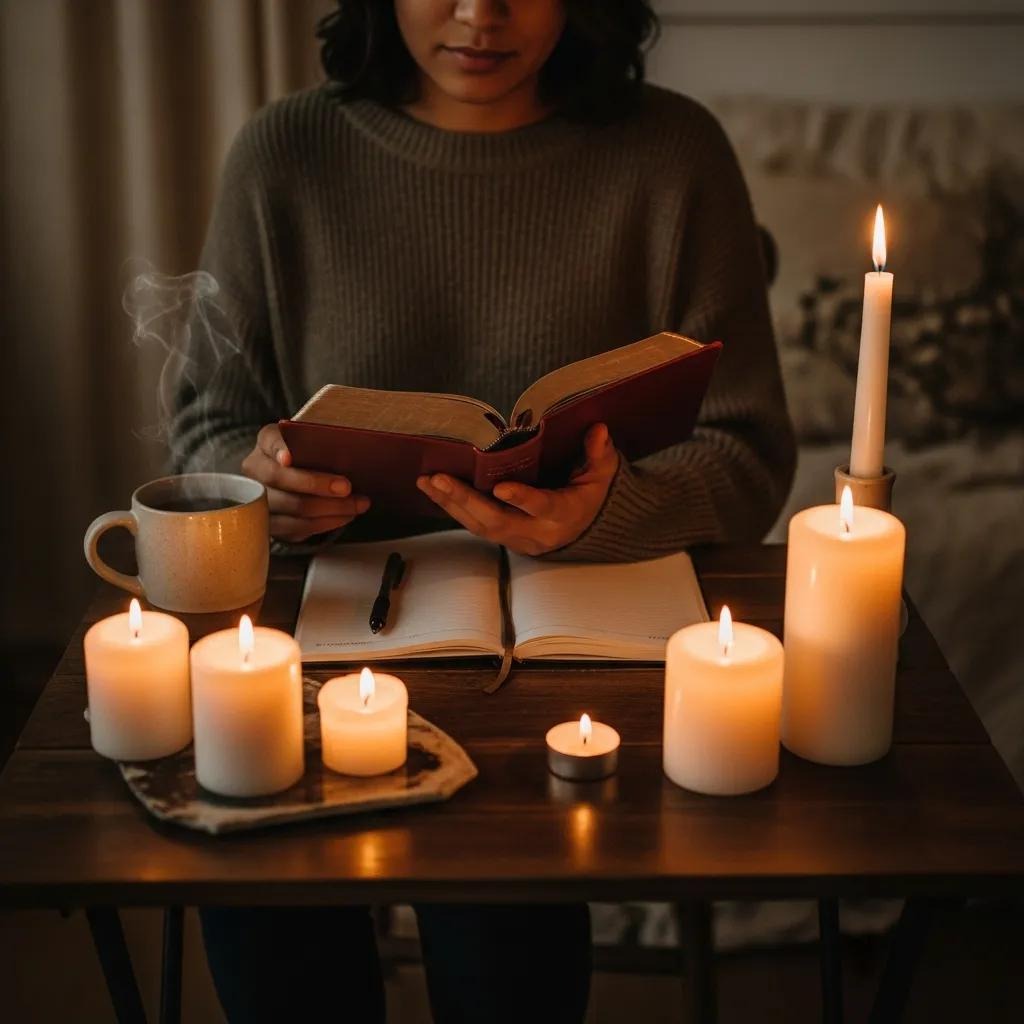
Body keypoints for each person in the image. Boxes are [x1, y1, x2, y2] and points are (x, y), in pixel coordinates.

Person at [174, 2, 795, 1020]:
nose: (479, 13)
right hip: (323, 652)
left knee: (508, 900)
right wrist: (261, 488)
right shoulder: (285, 155)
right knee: (264, 893)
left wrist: (604, 512)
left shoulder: (673, 153)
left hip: (563, 658)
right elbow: (207, 432)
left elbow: (748, 454)